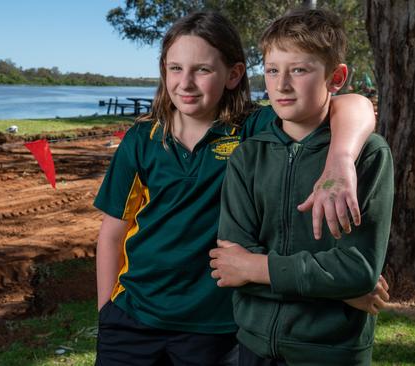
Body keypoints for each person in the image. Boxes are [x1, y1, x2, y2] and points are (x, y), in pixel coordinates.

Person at [94, 11, 385, 366]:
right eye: (175, 68)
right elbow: (112, 233)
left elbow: (351, 104)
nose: (185, 82)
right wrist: (106, 311)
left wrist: (340, 159)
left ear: (233, 75)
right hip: (132, 318)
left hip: (215, 325)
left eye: (201, 70)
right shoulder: (141, 139)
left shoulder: (253, 129)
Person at [210, 8, 394, 365]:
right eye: (273, 70)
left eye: (299, 70)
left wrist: (256, 267)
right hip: (254, 345)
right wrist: (336, 290)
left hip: (331, 351)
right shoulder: (248, 156)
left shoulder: (367, 156)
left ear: (335, 77)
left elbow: (356, 271)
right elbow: (230, 266)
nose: (281, 85)